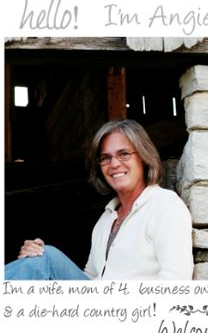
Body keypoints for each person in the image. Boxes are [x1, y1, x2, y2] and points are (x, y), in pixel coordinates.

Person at [5, 119, 193, 280]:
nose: (114, 164)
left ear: (143, 157)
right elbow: (92, 279)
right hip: (97, 311)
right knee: (43, 257)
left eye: (124, 154)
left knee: (47, 260)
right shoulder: (106, 219)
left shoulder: (165, 206)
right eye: (105, 158)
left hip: (134, 316)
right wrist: (37, 255)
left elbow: (176, 282)